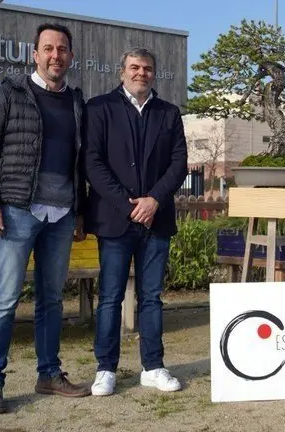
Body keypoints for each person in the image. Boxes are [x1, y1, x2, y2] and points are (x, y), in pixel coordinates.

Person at [0, 23, 90, 414]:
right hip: (17, 211)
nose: (56, 55)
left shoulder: (76, 102)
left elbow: (81, 164)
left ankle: (49, 374)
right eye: (49, 48)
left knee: (52, 300)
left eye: (63, 49)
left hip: (61, 216)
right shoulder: (11, 93)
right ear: (34, 54)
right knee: (4, 301)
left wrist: (80, 213)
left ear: (71, 56)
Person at [84, 48, 188, 396]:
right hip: (115, 220)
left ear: (154, 74)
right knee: (111, 296)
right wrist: (127, 205)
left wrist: (155, 199)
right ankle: (105, 368)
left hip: (156, 221)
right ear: (121, 72)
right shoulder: (99, 109)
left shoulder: (169, 113)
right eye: (134, 67)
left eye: (147, 68)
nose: (140, 73)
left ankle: (153, 366)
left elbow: (178, 164)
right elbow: (93, 163)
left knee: (152, 298)